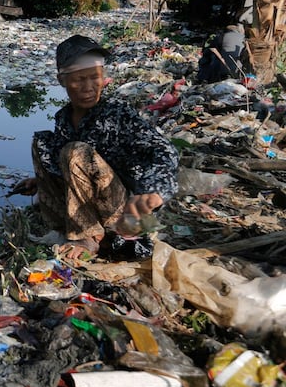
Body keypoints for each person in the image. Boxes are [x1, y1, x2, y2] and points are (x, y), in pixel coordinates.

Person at [13, 35, 179, 260]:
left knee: (75, 151)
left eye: (95, 78)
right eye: (79, 79)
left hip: (123, 211)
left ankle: (87, 237)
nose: (88, 87)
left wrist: (154, 191)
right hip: (89, 203)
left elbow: (164, 151)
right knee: (42, 141)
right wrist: (40, 181)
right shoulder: (63, 117)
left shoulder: (117, 114)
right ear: (61, 80)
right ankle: (62, 224)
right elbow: (66, 161)